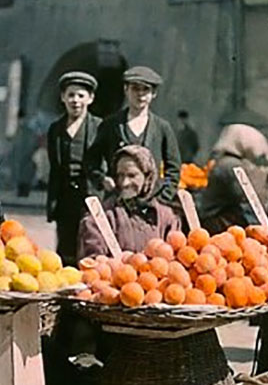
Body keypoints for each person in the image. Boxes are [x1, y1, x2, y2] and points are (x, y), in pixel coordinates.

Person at [88, 66, 181, 204]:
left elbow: (173, 169)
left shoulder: (162, 128)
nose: (141, 95)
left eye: (146, 90)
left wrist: (164, 194)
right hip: (117, 199)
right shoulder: (110, 125)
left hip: (151, 202)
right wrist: (101, 179)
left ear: (153, 93)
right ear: (126, 90)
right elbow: (91, 160)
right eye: (135, 89)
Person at [78, 145, 181, 258]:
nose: (124, 183)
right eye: (120, 175)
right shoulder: (101, 218)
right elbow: (95, 265)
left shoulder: (167, 218)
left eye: (132, 175)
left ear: (148, 177)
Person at [46, 71, 103, 266]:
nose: (75, 100)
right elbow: (54, 167)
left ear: (90, 98)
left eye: (81, 95)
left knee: (90, 243)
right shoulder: (56, 129)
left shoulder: (99, 127)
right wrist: (52, 203)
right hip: (64, 197)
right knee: (65, 246)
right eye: (70, 95)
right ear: (63, 98)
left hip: (90, 195)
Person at [198, 124, 268, 234]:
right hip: (219, 223)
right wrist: (260, 228)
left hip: (212, 219)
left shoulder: (223, 162)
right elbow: (245, 198)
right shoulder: (231, 166)